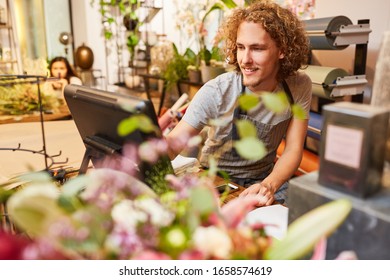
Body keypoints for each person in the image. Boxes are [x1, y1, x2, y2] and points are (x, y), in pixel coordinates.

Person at [166, 0, 312, 207]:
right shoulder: (217, 91)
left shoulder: (298, 85)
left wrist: (268, 185)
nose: (245, 59)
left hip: (264, 181)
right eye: (240, 47)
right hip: (214, 180)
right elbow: (173, 144)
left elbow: (293, 149)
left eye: (257, 48)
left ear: (283, 50)